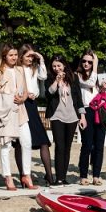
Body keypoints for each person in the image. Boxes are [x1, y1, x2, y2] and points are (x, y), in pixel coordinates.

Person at [0, 42, 33, 190]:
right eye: (11, 55)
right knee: (6, 146)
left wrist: (23, 98)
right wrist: (8, 97)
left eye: (15, 55)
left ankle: (26, 174)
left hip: (20, 110)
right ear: (4, 56)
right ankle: (8, 177)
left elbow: (25, 90)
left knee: (27, 142)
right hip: (5, 111)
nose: (14, 57)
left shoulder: (20, 70)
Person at [13, 44, 53, 186]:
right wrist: (23, 94)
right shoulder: (17, 68)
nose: (31, 58)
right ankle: (23, 175)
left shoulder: (34, 69)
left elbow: (44, 76)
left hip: (32, 105)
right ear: (21, 56)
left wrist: (40, 59)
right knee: (19, 142)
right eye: (28, 55)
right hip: (21, 104)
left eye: (32, 56)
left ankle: (49, 176)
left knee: (43, 141)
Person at [46, 55, 86, 186]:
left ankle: (63, 177)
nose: (56, 68)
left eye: (58, 65)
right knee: (59, 146)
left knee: (67, 147)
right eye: (54, 66)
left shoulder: (73, 78)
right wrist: (56, 82)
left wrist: (82, 116)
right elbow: (49, 93)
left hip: (72, 117)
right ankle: (58, 178)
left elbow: (79, 99)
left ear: (64, 65)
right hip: (57, 116)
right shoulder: (50, 78)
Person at [77, 49, 106, 186]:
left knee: (99, 145)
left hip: (99, 111)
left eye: (90, 61)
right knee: (87, 145)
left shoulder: (97, 76)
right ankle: (83, 175)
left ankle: (96, 175)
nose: (86, 64)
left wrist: (103, 90)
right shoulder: (77, 75)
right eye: (84, 61)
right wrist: (95, 64)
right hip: (86, 111)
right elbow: (89, 83)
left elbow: (96, 91)